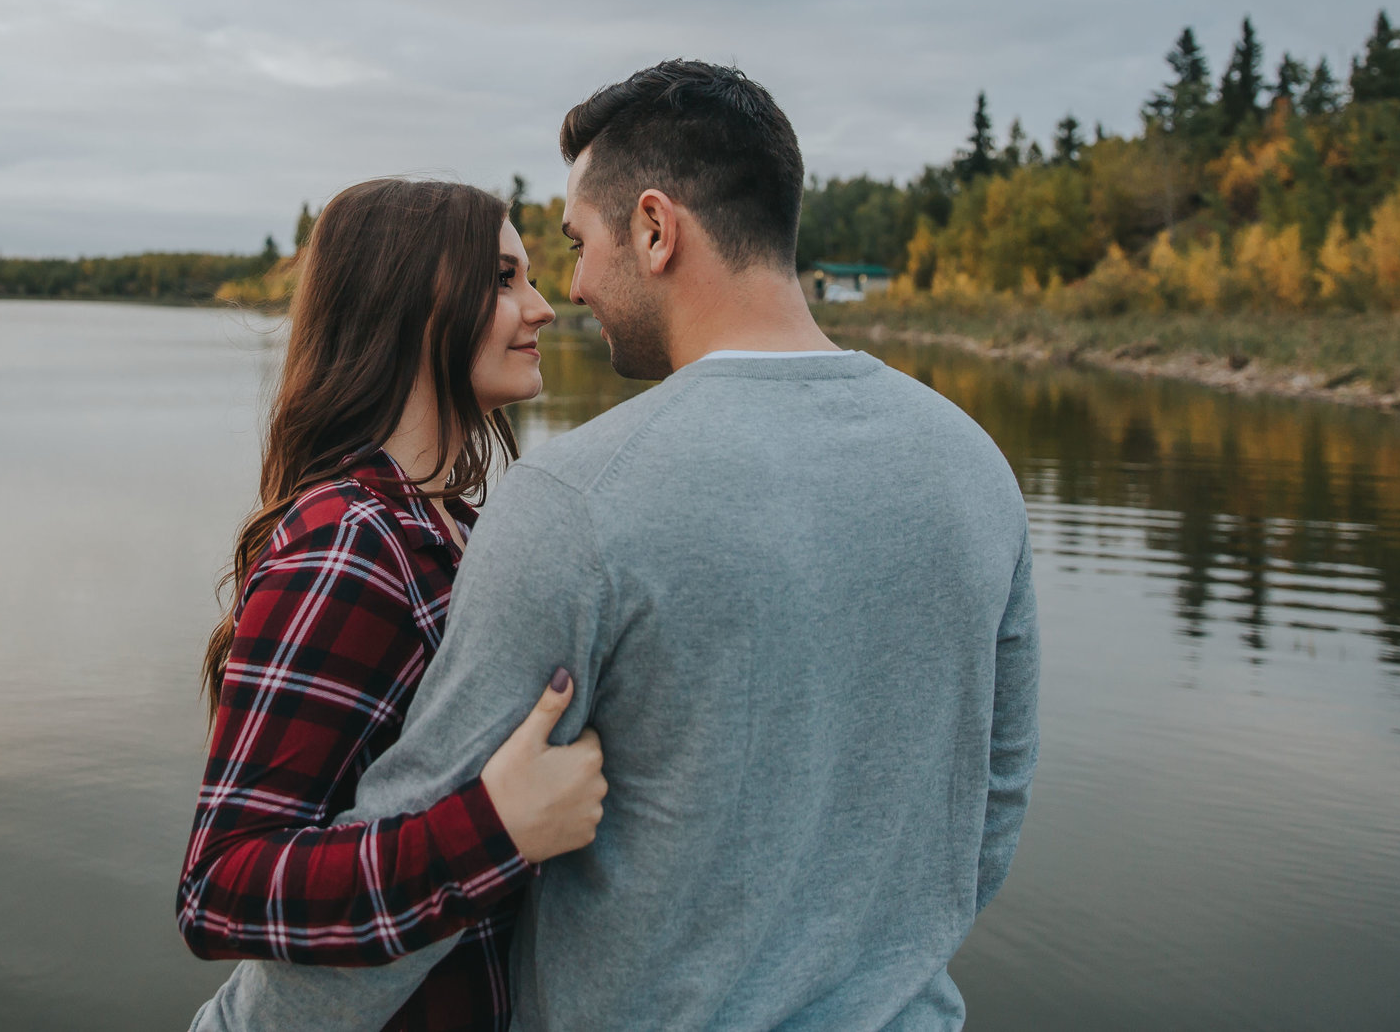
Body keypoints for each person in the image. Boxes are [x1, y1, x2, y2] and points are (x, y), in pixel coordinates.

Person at [195, 60, 1038, 1032]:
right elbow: (993, 805)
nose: (574, 286)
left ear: (653, 227)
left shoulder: (573, 502)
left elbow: (416, 869)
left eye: (576, 244)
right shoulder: (976, 467)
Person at [178, 177, 607, 1030]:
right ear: (412, 304)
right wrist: (496, 830)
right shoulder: (350, 539)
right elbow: (222, 884)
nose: (544, 306)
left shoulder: (463, 529)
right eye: (503, 277)